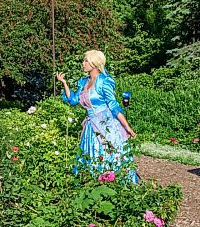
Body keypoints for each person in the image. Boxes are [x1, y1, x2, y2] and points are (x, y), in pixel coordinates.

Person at [57, 50, 139, 183]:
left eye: (86, 61)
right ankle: (91, 183)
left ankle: (115, 184)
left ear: (94, 63)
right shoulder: (83, 82)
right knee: (91, 154)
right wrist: (64, 83)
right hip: (90, 126)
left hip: (106, 125)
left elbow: (113, 106)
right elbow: (73, 100)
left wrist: (127, 127)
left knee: (109, 154)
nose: (83, 64)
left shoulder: (103, 81)